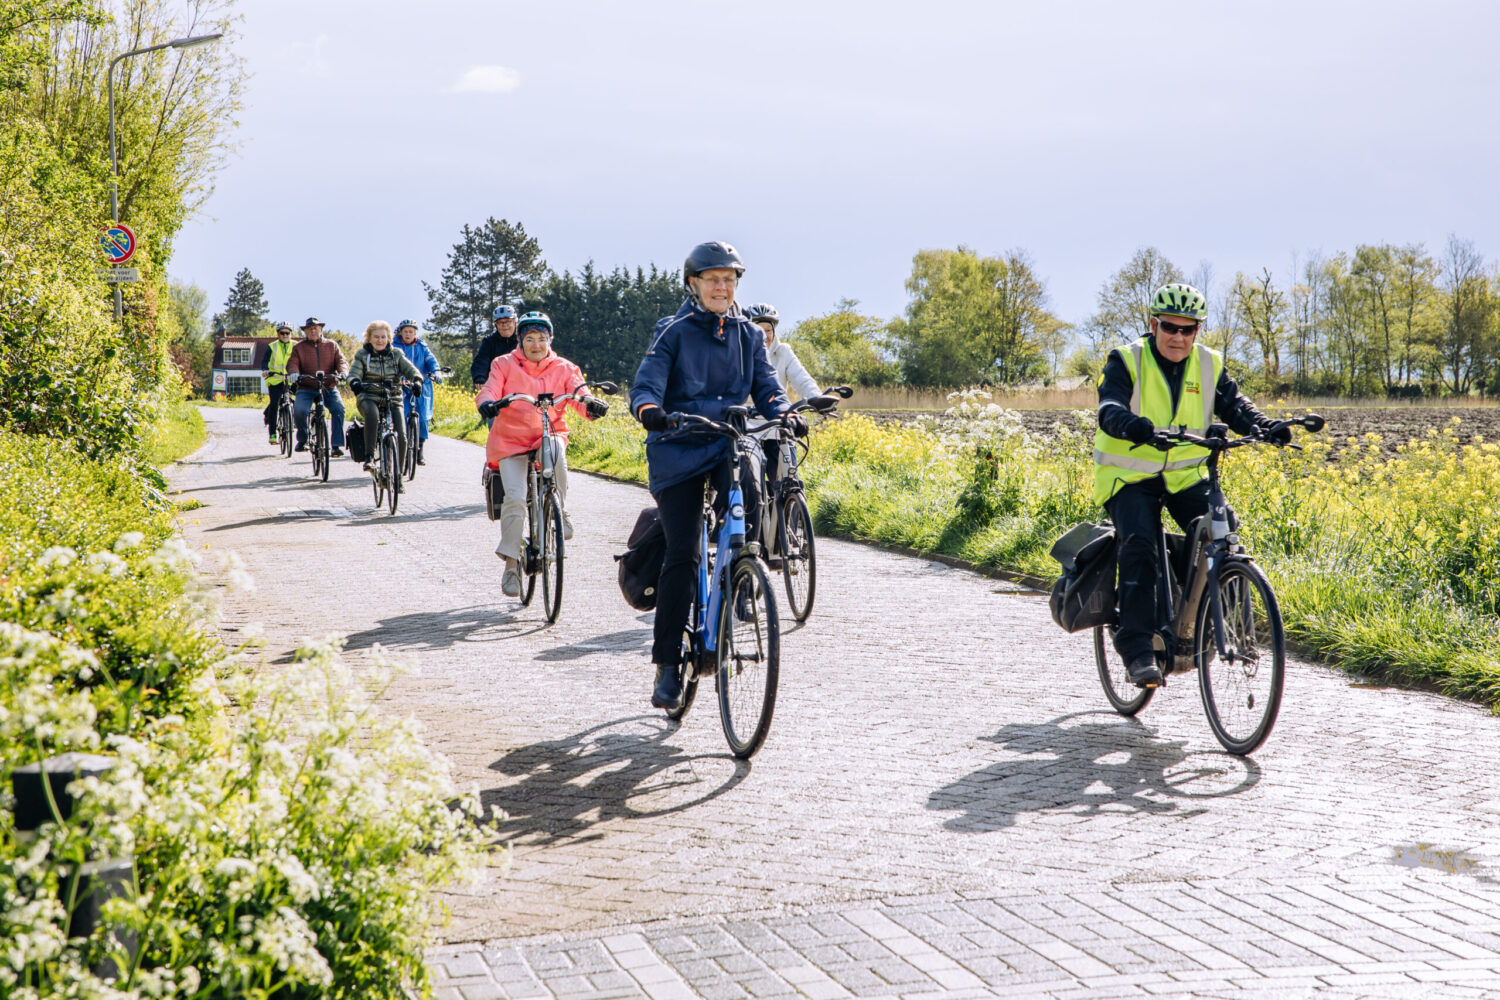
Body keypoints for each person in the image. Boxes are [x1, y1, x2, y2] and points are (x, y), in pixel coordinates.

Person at [629, 241, 804, 711]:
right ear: (694, 285)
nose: (722, 287)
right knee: (684, 553)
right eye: (712, 280)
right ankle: (667, 664)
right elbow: (647, 383)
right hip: (678, 448)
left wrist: (784, 413)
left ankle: (743, 573)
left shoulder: (749, 335)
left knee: (748, 505)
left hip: (727, 444)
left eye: (729, 279)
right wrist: (651, 411)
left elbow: (766, 387)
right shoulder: (675, 332)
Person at [1094, 283, 1287, 689]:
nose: (1178, 337)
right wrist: (1129, 424)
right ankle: (1137, 649)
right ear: (1154, 324)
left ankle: (1216, 626)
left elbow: (1235, 406)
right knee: (1141, 543)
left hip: (1184, 475)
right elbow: (1109, 406)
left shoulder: (1208, 364)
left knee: (1223, 528)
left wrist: (1266, 427)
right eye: (1169, 328)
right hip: (1130, 476)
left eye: (1187, 329)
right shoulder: (1126, 360)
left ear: (1198, 330)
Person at [475, 311, 608, 598]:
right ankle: (511, 566)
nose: (536, 344)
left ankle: (560, 507)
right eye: (530, 339)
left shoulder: (564, 367)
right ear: (520, 341)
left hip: (547, 433)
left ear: (550, 340)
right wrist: (487, 403)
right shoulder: (504, 364)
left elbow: (579, 392)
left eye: (542, 339)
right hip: (510, 441)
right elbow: (489, 389)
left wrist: (592, 406)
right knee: (514, 496)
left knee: (556, 449)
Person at [348, 320, 423, 472]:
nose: (380, 340)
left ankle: (399, 475)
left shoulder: (397, 354)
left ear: (389, 338)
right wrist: (355, 382)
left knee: (402, 436)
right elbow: (354, 373)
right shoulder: (362, 355)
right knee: (372, 414)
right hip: (369, 396)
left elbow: (410, 369)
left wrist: (417, 380)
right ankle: (369, 457)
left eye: (383, 337)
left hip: (393, 397)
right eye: (376, 337)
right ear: (369, 338)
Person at [285, 316, 348, 455]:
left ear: (321, 330)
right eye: (309, 329)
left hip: (328, 386)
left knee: (339, 409)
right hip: (306, 387)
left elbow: (341, 360)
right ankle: (303, 439)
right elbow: (292, 363)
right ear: (305, 332)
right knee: (300, 411)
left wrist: (343, 372)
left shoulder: (332, 345)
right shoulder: (299, 348)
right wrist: (294, 373)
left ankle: (336, 445)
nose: (313, 331)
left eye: (315, 328)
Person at [393, 319, 442, 464]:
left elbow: (432, 361)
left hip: (422, 386)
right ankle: (404, 448)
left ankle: (420, 449)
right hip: (402, 385)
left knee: (423, 418)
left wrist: (436, 373)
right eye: (405, 331)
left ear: (415, 333)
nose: (408, 334)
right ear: (400, 332)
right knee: (403, 415)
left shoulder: (422, 346)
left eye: (411, 331)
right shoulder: (394, 347)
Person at [261, 321, 296, 445]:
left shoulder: (296, 346)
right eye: (282, 333)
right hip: (275, 378)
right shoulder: (272, 346)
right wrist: (265, 370)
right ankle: (273, 434)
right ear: (278, 334)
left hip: (291, 379)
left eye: (287, 333)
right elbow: (265, 361)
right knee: (275, 403)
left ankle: (296, 419)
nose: (285, 335)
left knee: (303, 396)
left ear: (291, 334)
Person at [470, 304, 519, 387]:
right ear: (496, 325)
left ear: (515, 323)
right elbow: (481, 361)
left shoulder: (522, 340)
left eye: (508, 321)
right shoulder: (489, 342)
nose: (505, 326)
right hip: (497, 384)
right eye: (501, 323)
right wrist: (480, 377)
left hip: (520, 383)